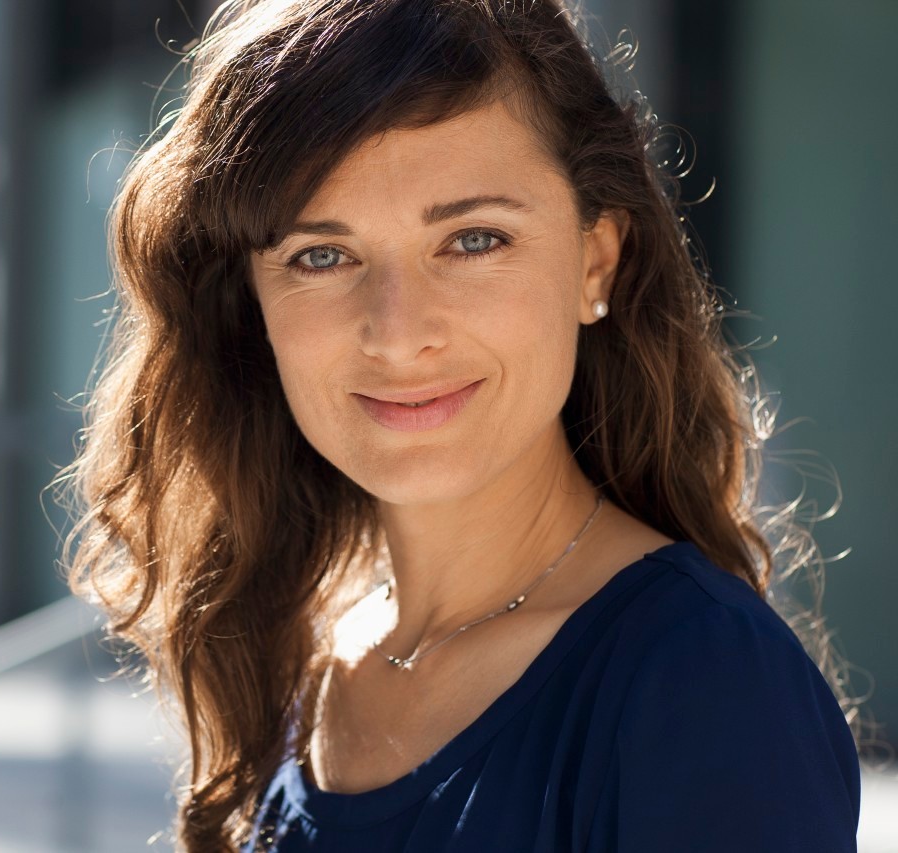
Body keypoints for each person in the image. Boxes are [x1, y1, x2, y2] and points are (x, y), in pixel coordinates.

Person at [53, 0, 867, 850]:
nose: (399, 333)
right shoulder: (310, 665)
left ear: (596, 260)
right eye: (321, 256)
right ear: (253, 305)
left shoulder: (705, 687)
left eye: (474, 239)